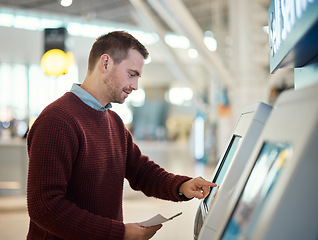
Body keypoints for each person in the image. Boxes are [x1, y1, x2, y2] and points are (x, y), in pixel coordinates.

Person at [26, 31, 216, 240]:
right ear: (105, 63)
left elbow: (141, 171)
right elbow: (45, 207)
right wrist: (120, 233)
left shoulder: (113, 121)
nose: (135, 86)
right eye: (131, 74)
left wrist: (180, 186)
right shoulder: (57, 120)